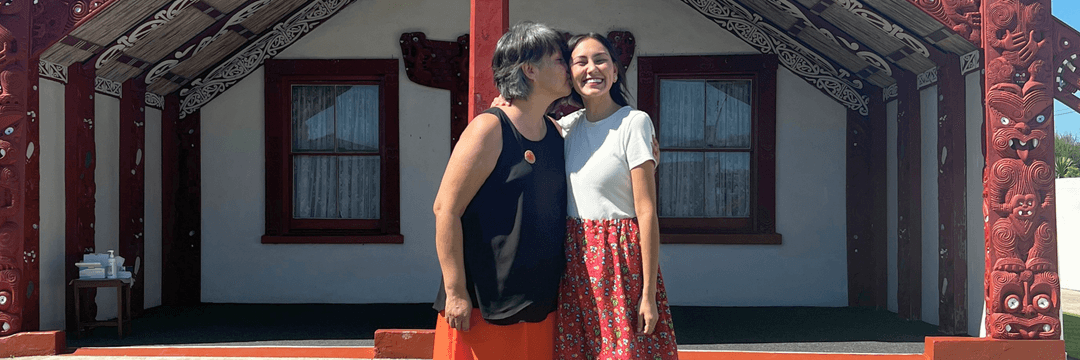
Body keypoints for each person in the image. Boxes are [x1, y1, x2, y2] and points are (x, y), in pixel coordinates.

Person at [431, 21, 571, 360]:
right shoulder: (489, 128)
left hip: (540, 305)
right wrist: (456, 292)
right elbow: (445, 209)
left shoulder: (555, 132)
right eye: (559, 60)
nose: (569, 68)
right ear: (530, 70)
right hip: (483, 308)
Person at [553, 33, 678, 359]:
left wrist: (648, 294)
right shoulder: (565, 129)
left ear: (615, 70)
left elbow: (647, 211)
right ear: (569, 73)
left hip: (620, 261)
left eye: (600, 60)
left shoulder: (633, 123)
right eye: (580, 62)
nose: (591, 68)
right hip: (575, 262)